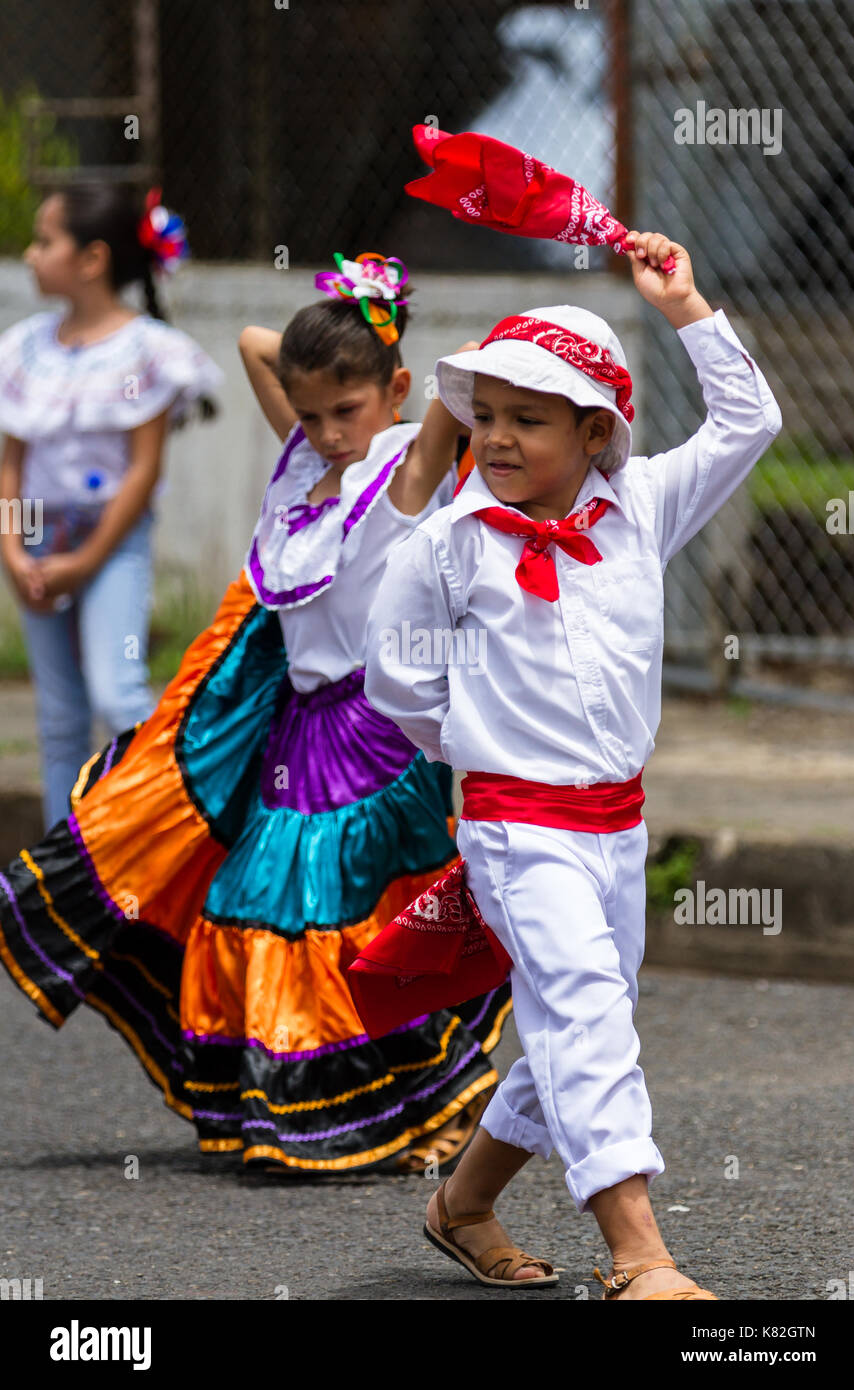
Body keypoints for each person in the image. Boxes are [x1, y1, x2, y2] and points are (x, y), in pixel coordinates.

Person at [0, 251, 509, 1176]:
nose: (322, 430)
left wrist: (389, 347)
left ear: (394, 390)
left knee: (321, 916)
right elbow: (252, 341)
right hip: (298, 731)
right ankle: (346, 1110)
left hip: (374, 734)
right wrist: (346, 342)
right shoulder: (308, 462)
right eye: (308, 412)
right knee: (257, 906)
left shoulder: (401, 471)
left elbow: (461, 371)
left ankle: (399, 1109)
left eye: (344, 411)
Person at [363, 229, 783, 1292]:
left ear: (596, 431)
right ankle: (638, 1255)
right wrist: (486, 753)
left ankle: (459, 1201)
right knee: (585, 1011)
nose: (494, 438)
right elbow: (398, 682)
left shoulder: (640, 510)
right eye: (484, 415)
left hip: (618, 826)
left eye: (526, 419)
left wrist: (682, 302)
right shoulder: (447, 544)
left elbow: (750, 420)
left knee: (577, 1021)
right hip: (515, 826)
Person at [0, 182, 222, 830]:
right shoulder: (23, 351)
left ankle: (158, 843)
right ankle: (55, 869)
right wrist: (15, 552)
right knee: (60, 715)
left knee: (116, 691)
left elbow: (144, 470)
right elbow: (11, 462)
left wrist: (87, 560)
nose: (32, 253)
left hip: (111, 543)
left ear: (93, 259)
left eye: (46, 241)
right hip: (35, 543)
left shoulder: (149, 352)